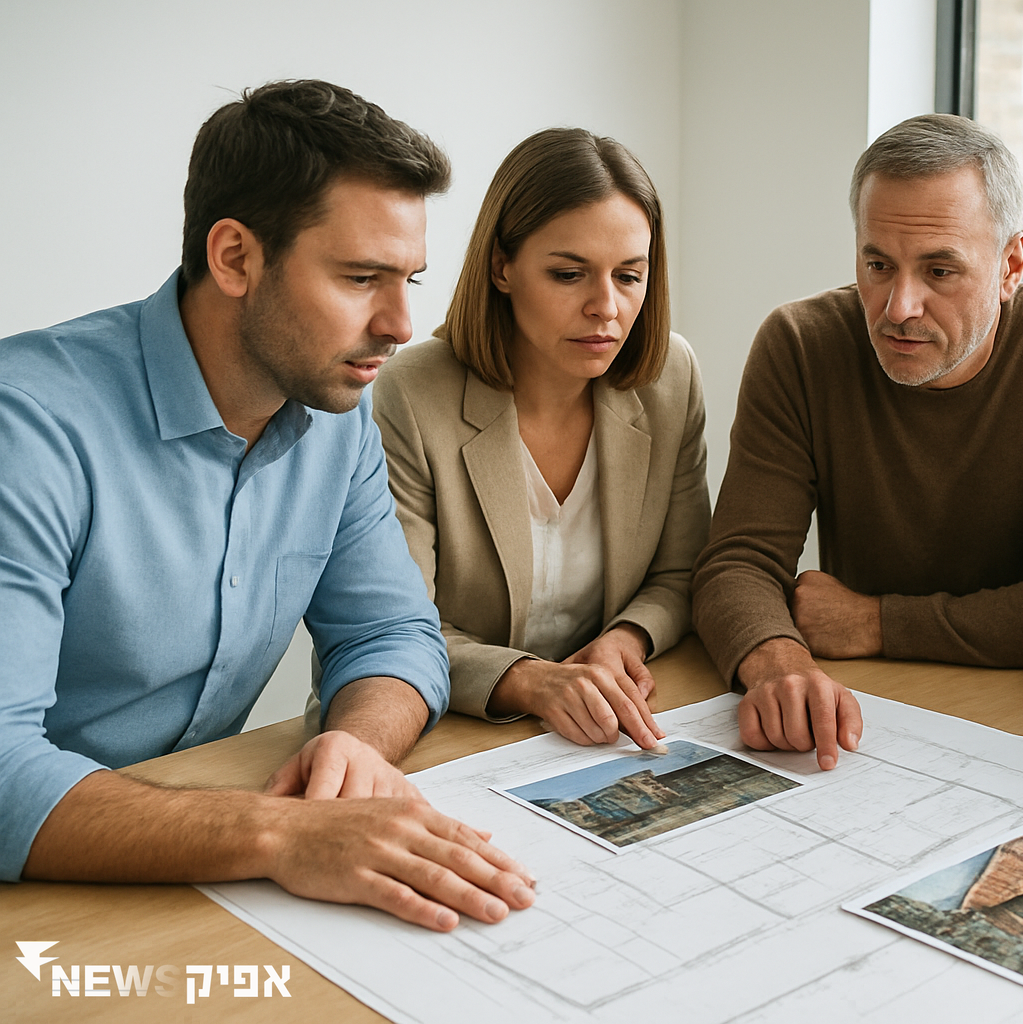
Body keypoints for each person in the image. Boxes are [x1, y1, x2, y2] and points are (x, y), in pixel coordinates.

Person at [0, 79, 537, 929]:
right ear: (235, 258)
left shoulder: (339, 415)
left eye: (410, 280)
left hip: (201, 871)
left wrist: (354, 748)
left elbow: (393, 636)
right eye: (362, 277)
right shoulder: (24, 428)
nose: (401, 324)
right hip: (39, 892)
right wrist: (281, 834)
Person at [693, 114, 1023, 771]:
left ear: (1010, 266)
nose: (898, 307)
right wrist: (777, 662)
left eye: (939, 271)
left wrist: (876, 622)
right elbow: (738, 561)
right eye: (877, 264)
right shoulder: (801, 344)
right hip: (870, 720)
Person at [371, 128, 708, 750]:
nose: (605, 307)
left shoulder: (670, 378)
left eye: (629, 276)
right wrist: (532, 682)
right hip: (451, 730)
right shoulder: (411, 396)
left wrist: (625, 639)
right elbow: (396, 629)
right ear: (502, 267)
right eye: (569, 273)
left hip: (605, 724)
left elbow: (683, 570)